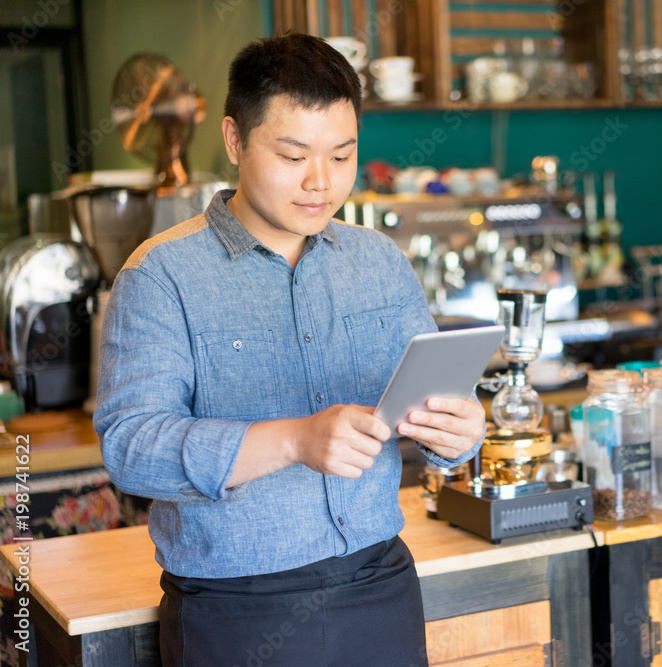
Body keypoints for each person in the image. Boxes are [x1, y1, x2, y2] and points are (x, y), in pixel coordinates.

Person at [94, 33, 486, 666]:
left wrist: (460, 430)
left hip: (382, 590)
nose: (320, 182)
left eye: (341, 155)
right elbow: (132, 450)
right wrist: (295, 442)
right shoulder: (161, 275)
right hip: (234, 612)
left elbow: (447, 423)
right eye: (292, 154)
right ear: (234, 140)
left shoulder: (380, 263)